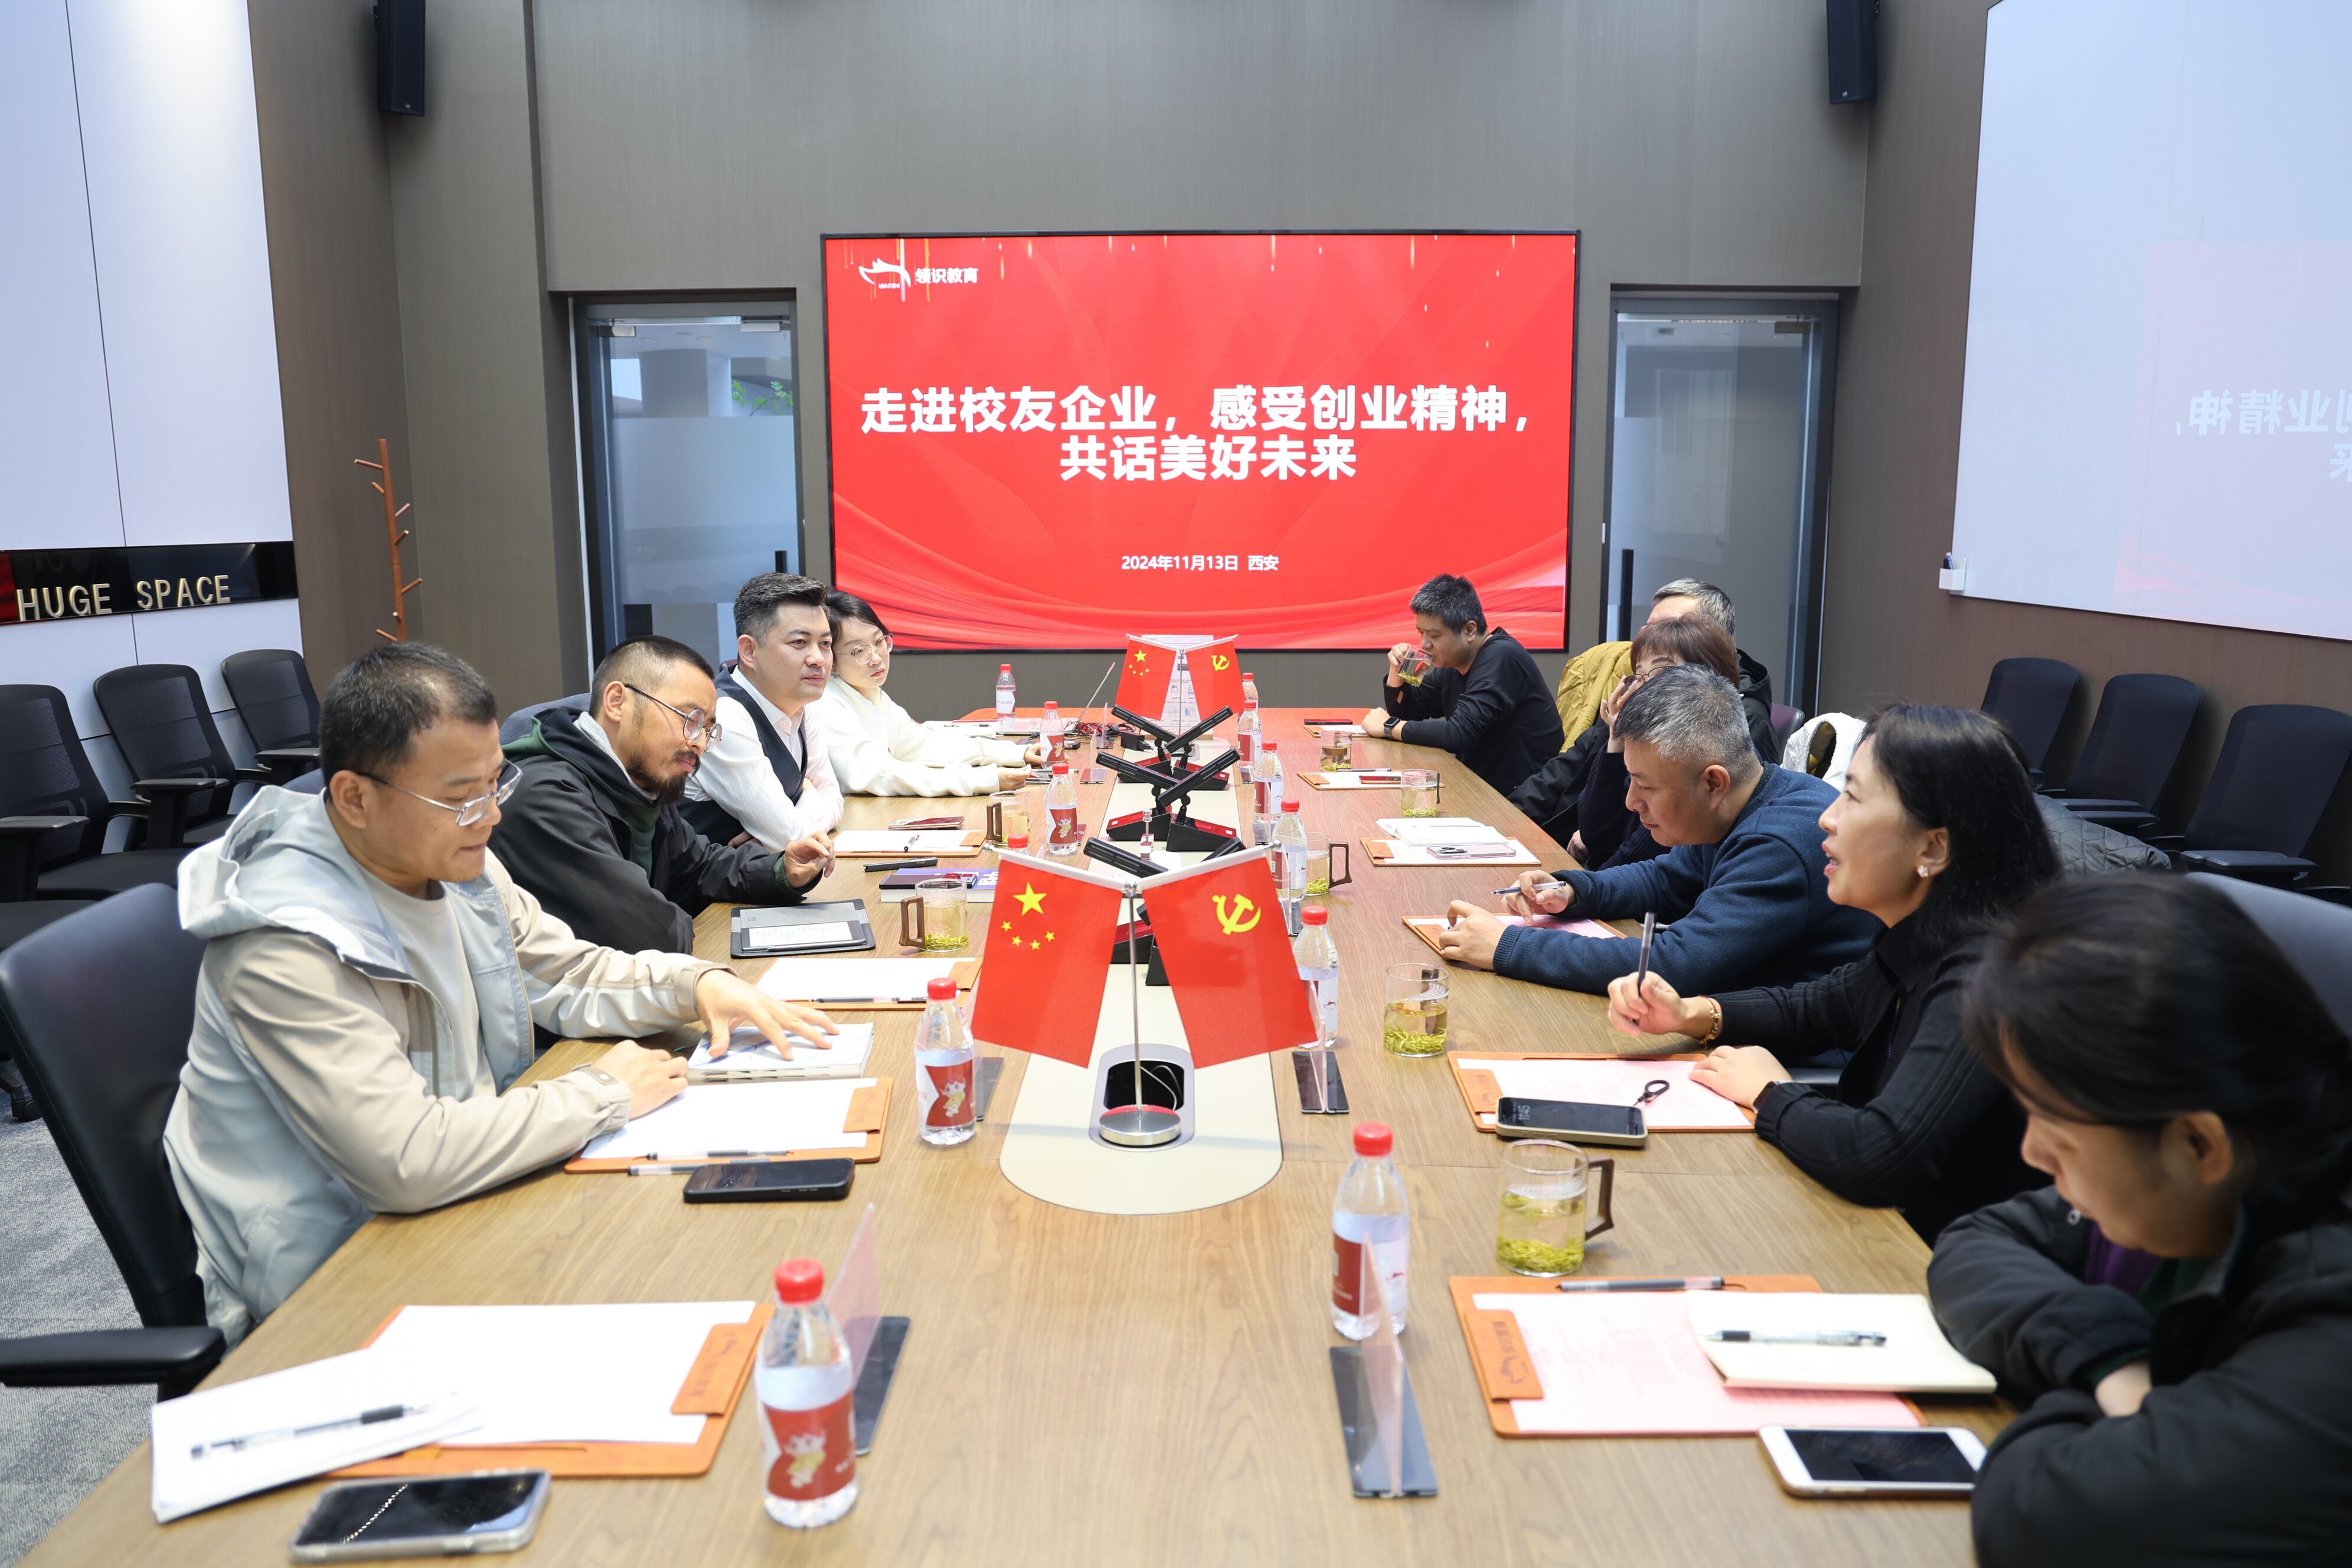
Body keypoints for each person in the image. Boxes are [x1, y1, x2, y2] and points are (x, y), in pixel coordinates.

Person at [164, 643, 837, 1341]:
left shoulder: (457, 865)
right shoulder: (284, 941)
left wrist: (699, 983)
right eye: (460, 797)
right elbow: (406, 1157)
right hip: (330, 1283)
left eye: (495, 785)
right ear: (355, 797)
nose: (489, 817)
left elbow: (567, 972)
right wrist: (602, 1092)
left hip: (461, 1202)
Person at [1928, 875, 2352, 1566]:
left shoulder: (2331, 1308)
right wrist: (2114, 1358)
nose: (2031, 1153)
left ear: (2198, 1145)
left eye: (2056, 1132)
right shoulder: (2213, 1179)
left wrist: (2113, 1400)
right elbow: (1981, 1240)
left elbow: (2043, 1519)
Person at [1606, 705, 2059, 1240]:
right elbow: (1818, 1007)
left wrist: (1770, 1093)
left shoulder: (1987, 972)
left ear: (1933, 847)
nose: (1828, 817)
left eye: (1854, 798)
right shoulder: (1923, 938)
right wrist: (1689, 1013)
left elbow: (1880, 1152)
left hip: (1938, 1259)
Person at [1438, 665, 1875, 997]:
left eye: (1645, 786)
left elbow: (1675, 965)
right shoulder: (1746, 799)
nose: (1631, 802)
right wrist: (1571, 890)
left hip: (1785, 1059)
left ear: (1713, 783)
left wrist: (1508, 945)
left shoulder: (1778, 845)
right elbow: (1665, 878)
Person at [494, 635, 829, 954]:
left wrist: (781, 870)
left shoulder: (642, 782)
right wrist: (677, 914)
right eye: (689, 719)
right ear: (616, 702)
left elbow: (700, 868)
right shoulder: (549, 799)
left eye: (708, 729)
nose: (699, 742)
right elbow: (649, 933)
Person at [1514, 579, 1772, 841]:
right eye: (1650, 628)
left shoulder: (1732, 718)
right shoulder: (1637, 697)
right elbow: (1562, 773)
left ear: (1707, 640)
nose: (1653, 636)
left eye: (1671, 626)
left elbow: (1663, 843)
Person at [806, 591, 1046, 796]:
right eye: (859, 651)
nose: (876, 658)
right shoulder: (825, 704)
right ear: (830, 659)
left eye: (879, 642)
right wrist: (981, 779)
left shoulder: (870, 693)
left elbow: (923, 745)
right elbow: (877, 774)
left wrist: (1014, 752)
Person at [1359, 573, 1563, 796]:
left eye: (1434, 636)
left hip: (1522, 800)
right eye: (1421, 633)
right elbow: (1409, 712)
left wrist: (1389, 727)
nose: (1424, 644)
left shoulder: (1500, 656)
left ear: (1469, 631)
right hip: (1482, 791)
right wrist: (1398, 671)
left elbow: (1459, 733)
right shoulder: (1455, 665)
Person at [682, 573, 846, 847]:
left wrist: (795, 818)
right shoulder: (723, 718)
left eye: (825, 644)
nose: (818, 659)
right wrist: (808, 792)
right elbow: (789, 837)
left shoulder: (801, 706)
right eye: (799, 642)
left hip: (769, 871)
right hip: (705, 876)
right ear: (748, 651)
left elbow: (833, 798)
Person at [1569, 615, 1745, 870]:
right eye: (1639, 676)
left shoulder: (1695, 751)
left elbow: (1639, 863)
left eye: (1663, 672)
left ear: (1711, 679)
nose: (1642, 688)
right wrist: (1617, 739)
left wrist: (1584, 885)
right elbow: (1594, 835)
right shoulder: (1647, 743)